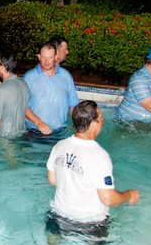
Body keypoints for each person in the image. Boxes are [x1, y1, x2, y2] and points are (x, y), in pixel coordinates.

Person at [46, 100, 139, 235]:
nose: (102, 120)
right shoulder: (99, 156)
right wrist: (129, 195)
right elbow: (108, 198)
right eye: (101, 118)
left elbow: (52, 180)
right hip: (90, 223)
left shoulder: (60, 145)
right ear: (93, 124)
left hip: (58, 215)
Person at [24, 43, 80, 134]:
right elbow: (22, 105)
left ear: (56, 57)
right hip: (34, 131)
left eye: (50, 58)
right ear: (39, 57)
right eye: (43, 57)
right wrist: (38, 123)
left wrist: (79, 125)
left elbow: (73, 104)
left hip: (59, 131)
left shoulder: (66, 76)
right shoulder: (29, 77)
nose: (46, 62)